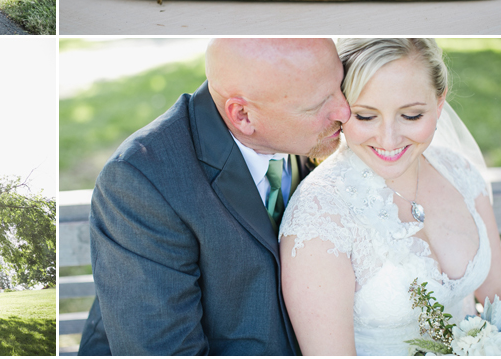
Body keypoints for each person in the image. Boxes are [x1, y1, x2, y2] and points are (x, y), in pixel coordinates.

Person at [78, 39, 351, 355]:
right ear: (243, 115)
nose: (345, 110)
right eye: (318, 104)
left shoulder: (313, 137)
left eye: (340, 86)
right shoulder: (141, 183)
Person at [280, 38, 501, 355]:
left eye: (411, 116)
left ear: (439, 104)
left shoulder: (459, 173)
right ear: (341, 110)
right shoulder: (320, 216)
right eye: (365, 116)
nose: (388, 139)